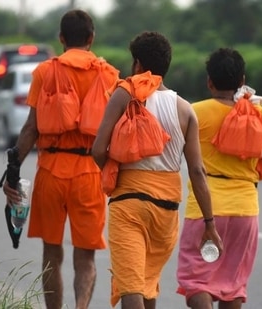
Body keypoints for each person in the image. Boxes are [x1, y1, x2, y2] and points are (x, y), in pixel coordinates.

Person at [91, 31, 223, 309]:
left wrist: (116, 173)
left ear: (137, 64)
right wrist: (209, 224)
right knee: (147, 285)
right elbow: (197, 171)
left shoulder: (124, 94)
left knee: (131, 289)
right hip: (166, 212)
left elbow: (98, 150)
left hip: (129, 206)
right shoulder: (185, 109)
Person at [2, 10, 119, 309]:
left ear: (62, 39)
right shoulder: (109, 75)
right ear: (91, 39)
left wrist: (12, 170)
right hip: (90, 174)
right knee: (86, 257)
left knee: (51, 253)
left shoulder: (45, 72)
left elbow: (31, 127)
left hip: (51, 172)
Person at [176, 48, 262, 309]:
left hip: (205, 211)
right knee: (232, 285)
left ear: (209, 82)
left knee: (196, 282)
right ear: (242, 80)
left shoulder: (196, 111)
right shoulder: (259, 114)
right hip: (245, 211)